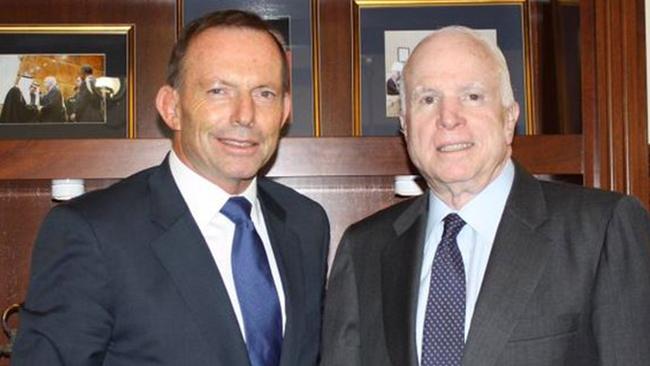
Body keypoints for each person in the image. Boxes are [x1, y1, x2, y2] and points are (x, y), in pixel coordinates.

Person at [13, 9, 330, 366]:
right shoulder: (92, 233)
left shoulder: (306, 223)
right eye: (218, 90)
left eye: (265, 93)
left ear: (286, 110)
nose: (245, 115)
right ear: (171, 107)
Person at [321, 26, 650, 366]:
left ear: (509, 118)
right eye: (428, 99)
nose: (448, 118)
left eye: (472, 96)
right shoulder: (364, 249)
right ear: (404, 126)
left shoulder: (601, 232)